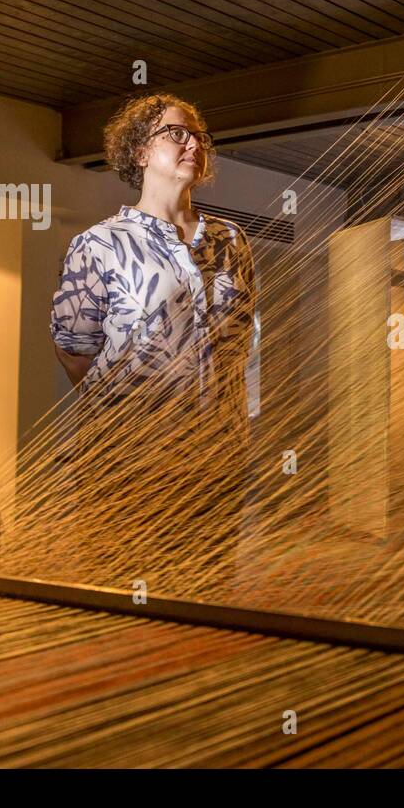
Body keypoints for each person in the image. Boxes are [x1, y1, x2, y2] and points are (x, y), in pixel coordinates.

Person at [50, 93, 255, 581]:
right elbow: (75, 352)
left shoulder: (231, 241)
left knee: (208, 593)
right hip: (131, 461)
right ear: (140, 152)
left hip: (218, 458)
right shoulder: (101, 244)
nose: (192, 144)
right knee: (126, 600)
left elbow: (239, 341)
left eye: (199, 137)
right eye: (176, 133)